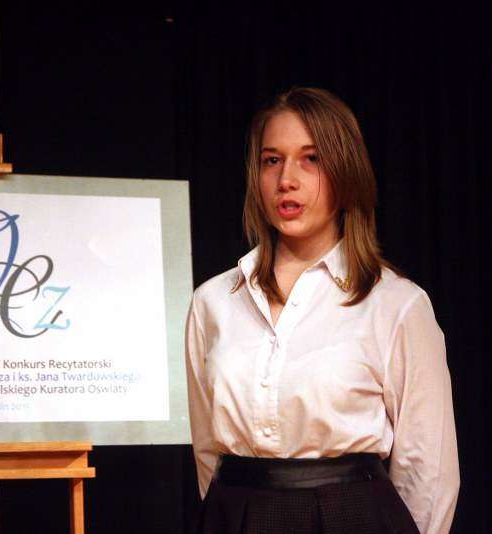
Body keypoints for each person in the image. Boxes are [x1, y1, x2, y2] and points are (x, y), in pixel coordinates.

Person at [186, 87, 459, 534]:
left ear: (345, 172)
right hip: (236, 514)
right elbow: (207, 453)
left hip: (352, 516)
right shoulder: (212, 302)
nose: (286, 179)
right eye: (272, 160)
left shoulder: (395, 303)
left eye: (310, 159)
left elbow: (427, 468)